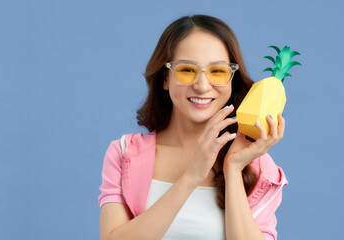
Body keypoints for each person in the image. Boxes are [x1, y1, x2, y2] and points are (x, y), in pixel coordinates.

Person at [98, 15, 288, 240]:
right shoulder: (124, 153)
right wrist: (191, 176)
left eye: (218, 71)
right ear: (165, 79)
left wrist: (234, 169)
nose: (202, 85)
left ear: (231, 80)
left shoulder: (255, 164)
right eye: (187, 70)